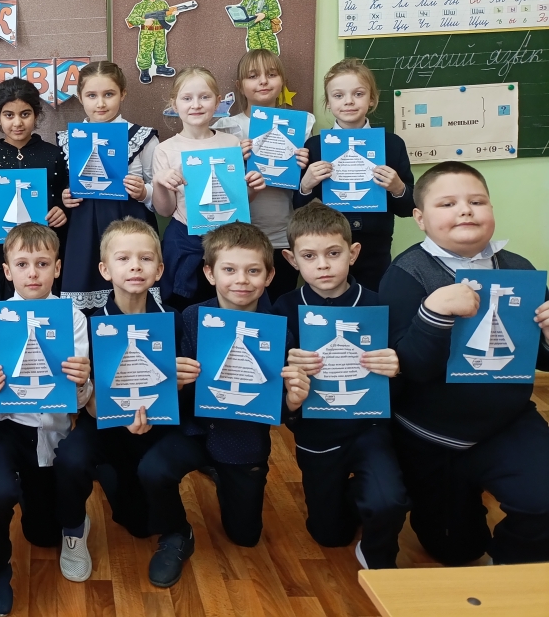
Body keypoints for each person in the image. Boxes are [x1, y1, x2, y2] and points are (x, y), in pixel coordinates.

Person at [380, 161, 549, 565]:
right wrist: (433, 314)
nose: (465, 210)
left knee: (542, 505)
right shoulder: (405, 275)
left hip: (507, 423)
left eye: (477, 201)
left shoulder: (520, 269)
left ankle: (507, 570)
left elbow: (539, 358)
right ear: (419, 218)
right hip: (432, 437)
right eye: (447, 203)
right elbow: (410, 368)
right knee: (456, 551)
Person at [136, 221, 301, 587]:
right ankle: (176, 532)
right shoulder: (191, 317)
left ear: (270, 275)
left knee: (245, 536)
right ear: (210, 273)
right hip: (193, 430)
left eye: (253, 271)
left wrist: (292, 400)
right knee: (153, 469)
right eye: (229, 270)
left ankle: (227, 481)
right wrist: (176, 382)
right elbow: (172, 394)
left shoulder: (279, 331)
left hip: (243, 442)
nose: (241, 280)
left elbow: (280, 410)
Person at [273, 202, 409, 569]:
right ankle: (353, 495)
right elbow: (278, 394)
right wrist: (290, 378)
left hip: (371, 429)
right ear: (291, 259)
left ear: (353, 253)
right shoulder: (283, 309)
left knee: (390, 500)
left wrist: (397, 367)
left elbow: (405, 375)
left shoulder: (380, 307)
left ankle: (379, 554)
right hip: (316, 435)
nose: (323, 265)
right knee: (329, 535)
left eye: (333, 253)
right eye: (309, 256)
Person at [0, 223, 92, 615]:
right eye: (22, 264)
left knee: (42, 535)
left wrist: (82, 381)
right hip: (6, 429)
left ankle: (70, 518)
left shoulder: (73, 317)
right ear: (7, 271)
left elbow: (79, 400)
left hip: (53, 430)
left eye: (42, 264)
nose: (32, 273)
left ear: (57, 268)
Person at [54, 218, 172, 583]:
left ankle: (116, 476)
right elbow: (86, 405)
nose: (135, 266)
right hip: (104, 423)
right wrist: (87, 387)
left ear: (159, 270)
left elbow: (176, 395)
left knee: (141, 526)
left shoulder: (173, 321)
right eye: (123, 258)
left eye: (145, 258)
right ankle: (74, 529)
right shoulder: (89, 323)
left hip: (155, 427)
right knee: (70, 457)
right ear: (105, 270)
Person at [151, 66, 266, 311]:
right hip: (185, 241)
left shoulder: (231, 143)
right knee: (185, 307)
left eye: (204, 97)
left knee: (229, 305)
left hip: (229, 240)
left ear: (218, 102)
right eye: (187, 98)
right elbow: (165, 210)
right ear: (174, 104)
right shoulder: (165, 150)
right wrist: (160, 181)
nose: (196, 105)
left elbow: (240, 199)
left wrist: (253, 187)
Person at [296, 59, 414, 290]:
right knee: (329, 302)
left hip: (376, 248)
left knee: (374, 303)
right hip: (326, 248)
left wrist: (398, 188)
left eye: (358, 94)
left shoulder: (392, 144)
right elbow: (297, 208)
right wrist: (306, 185)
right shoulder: (314, 146)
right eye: (338, 95)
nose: (348, 101)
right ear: (328, 102)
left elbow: (409, 208)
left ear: (372, 99)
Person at [58, 62, 160, 313]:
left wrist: (144, 192)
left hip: (131, 227)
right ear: (80, 97)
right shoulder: (68, 140)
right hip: (84, 234)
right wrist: (65, 198)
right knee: (83, 310)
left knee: (133, 301)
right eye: (92, 95)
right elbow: (61, 190)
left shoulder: (142, 137)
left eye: (109, 94)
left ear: (123, 94)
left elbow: (162, 195)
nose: (100, 103)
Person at [214, 49, 314, 300]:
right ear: (240, 85)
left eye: (271, 74)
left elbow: (307, 189)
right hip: (235, 237)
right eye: (253, 76)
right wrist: (235, 161)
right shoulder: (225, 128)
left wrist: (304, 166)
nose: (263, 81)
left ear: (282, 81)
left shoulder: (302, 125)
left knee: (279, 305)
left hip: (282, 235)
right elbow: (215, 184)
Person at [0, 78, 69, 308]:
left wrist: (62, 211)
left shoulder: (54, 155)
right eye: (9, 115)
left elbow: (65, 195)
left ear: (36, 115)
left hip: (44, 252)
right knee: (3, 310)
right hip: (1, 252)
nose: (17, 123)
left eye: (25, 114)